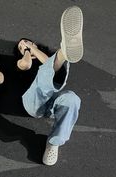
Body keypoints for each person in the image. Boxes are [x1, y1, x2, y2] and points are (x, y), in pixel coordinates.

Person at [16, 6, 83, 166]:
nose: (25, 45)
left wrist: (33, 48)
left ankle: (54, 143)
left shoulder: (44, 57)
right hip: (33, 102)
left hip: (52, 101)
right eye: (21, 46)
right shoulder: (19, 62)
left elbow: (46, 61)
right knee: (43, 75)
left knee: (72, 98)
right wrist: (26, 50)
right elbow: (24, 65)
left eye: (28, 42)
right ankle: (63, 53)